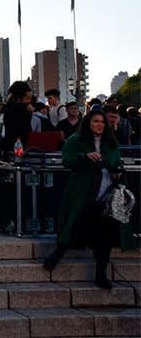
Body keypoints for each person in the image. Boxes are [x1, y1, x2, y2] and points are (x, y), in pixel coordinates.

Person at [43, 110, 133, 289]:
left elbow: (116, 162)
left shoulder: (110, 143)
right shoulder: (75, 141)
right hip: (82, 193)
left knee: (105, 236)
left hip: (105, 195)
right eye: (95, 121)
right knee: (75, 224)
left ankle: (101, 275)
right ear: (88, 123)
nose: (99, 125)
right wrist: (85, 157)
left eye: (102, 122)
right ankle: (57, 254)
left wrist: (116, 172)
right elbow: (67, 161)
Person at [0, 81, 33, 156]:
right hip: (18, 150)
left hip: (11, 149)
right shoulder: (21, 111)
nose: (29, 101)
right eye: (27, 98)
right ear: (18, 97)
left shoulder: (7, 109)